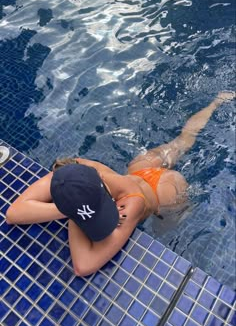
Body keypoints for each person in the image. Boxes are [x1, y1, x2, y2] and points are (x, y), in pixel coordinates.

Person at [6, 91, 235, 276]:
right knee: (181, 143)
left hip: (165, 191)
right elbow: (14, 213)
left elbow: (83, 265)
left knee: (165, 227)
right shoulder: (74, 171)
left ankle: (216, 103)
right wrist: (68, 208)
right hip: (139, 168)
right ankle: (216, 102)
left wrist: (72, 217)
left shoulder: (130, 206)